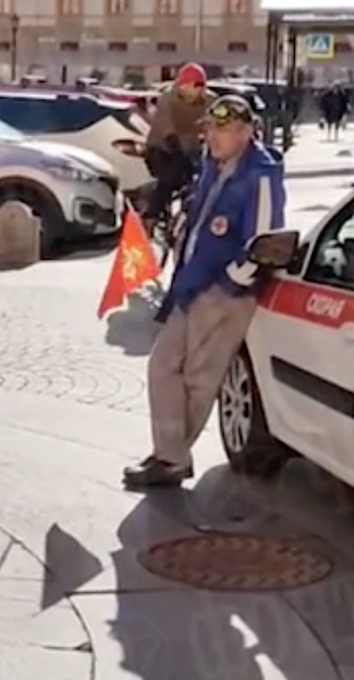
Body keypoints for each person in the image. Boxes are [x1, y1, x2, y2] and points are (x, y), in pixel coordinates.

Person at [123, 95, 287, 488]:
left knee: (199, 377)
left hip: (226, 293)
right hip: (193, 283)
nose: (211, 136)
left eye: (221, 130)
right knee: (162, 364)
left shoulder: (261, 175)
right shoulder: (213, 165)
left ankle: (171, 459)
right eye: (209, 129)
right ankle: (170, 453)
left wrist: (232, 280)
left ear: (245, 133)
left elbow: (266, 243)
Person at [142, 63, 211, 229]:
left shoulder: (210, 102)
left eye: (189, 87)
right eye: (182, 86)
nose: (184, 90)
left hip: (192, 150)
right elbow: (166, 127)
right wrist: (177, 149)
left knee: (204, 178)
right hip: (162, 148)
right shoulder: (168, 98)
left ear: (200, 87)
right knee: (170, 174)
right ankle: (151, 216)